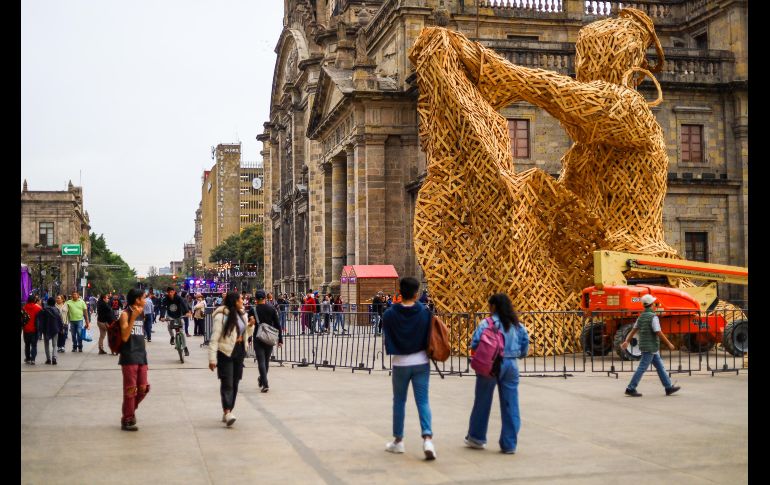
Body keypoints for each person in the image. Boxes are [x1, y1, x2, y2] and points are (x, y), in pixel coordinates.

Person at [464, 293, 530, 454]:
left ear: (493, 306)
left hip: (491, 364)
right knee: (510, 403)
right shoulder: (516, 325)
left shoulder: (487, 323)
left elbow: (475, 342)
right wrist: (517, 354)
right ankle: (509, 444)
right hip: (511, 365)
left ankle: (476, 438)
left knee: (482, 401)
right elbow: (525, 344)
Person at [381, 276, 436, 460]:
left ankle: (398, 441)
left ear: (400, 292)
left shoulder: (389, 314)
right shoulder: (425, 313)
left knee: (399, 401)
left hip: (400, 362)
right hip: (421, 361)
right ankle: (427, 439)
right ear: (416, 293)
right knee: (423, 401)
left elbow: (387, 332)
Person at [621, 294, 681, 397]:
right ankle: (630, 388)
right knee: (642, 368)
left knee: (660, 367)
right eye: (654, 304)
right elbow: (658, 332)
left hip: (647, 346)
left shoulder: (641, 317)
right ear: (651, 305)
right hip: (651, 347)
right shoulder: (653, 317)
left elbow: (633, 330)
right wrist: (669, 343)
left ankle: (668, 387)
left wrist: (627, 341)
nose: (655, 306)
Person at [208, 292, 255, 426]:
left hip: (239, 350)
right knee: (227, 382)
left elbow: (245, 333)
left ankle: (228, 410)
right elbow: (214, 338)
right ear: (235, 301)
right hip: (225, 351)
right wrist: (212, 359)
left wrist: (250, 325)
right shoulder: (221, 316)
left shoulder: (242, 315)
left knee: (235, 382)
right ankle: (227, 411)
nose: (243, 300)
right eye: (241, 298)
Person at [118, 288, 150, 431]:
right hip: (129, 355)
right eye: (143, 297)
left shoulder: (141, 312)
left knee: (143, 388)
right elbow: (125, 337)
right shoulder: (125, 314)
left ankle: (129, 410)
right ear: (137, 299)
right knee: (130, 390)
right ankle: (127, 419)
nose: (145, 300)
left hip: (141, 355)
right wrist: (133, 317)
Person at [251, 289, 283, 393]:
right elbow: (278, 325)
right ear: (265, 298)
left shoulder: (253, 310)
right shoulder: (272, 309)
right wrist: (280, 339)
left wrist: (248, 338)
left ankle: (264, 382)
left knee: (261, 361)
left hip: (258, 337)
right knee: (266, 361)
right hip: (269, 337)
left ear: (255, 299)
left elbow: (249, 324)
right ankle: (263, 379)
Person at [163, 287, 191, 356]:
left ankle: (185, 347)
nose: (170, 293)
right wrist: (161, 316)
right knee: (169, 325)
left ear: (174, 292)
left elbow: (184, 305)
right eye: (168, 292)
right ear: (167, 292)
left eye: (171, 292)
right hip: (170, 316)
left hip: (179, 315)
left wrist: (187, 312)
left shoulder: (178, 298)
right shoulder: (165, 299)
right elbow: (163, 307)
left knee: (182, 332)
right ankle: (172, 337)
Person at [38, 297, 63, 365]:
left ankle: (48, 359)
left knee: (46, 344)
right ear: (54, 303)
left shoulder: (43, 310)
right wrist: (61, 328)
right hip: (55, 328)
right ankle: (54, 357)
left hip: (46, 329)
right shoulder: (57, 310)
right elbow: (60, 320)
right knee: (55, 345)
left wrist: (40, 330)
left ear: (47, 302)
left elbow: (40, 321)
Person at [23, 295, 43, 365]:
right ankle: (33, 359)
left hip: (26, 330)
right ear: (34, 300)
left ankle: (28, 358)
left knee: (27, 345)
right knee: (34, 345)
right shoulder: (38, 308)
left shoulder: (24, 308)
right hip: (34, 330)